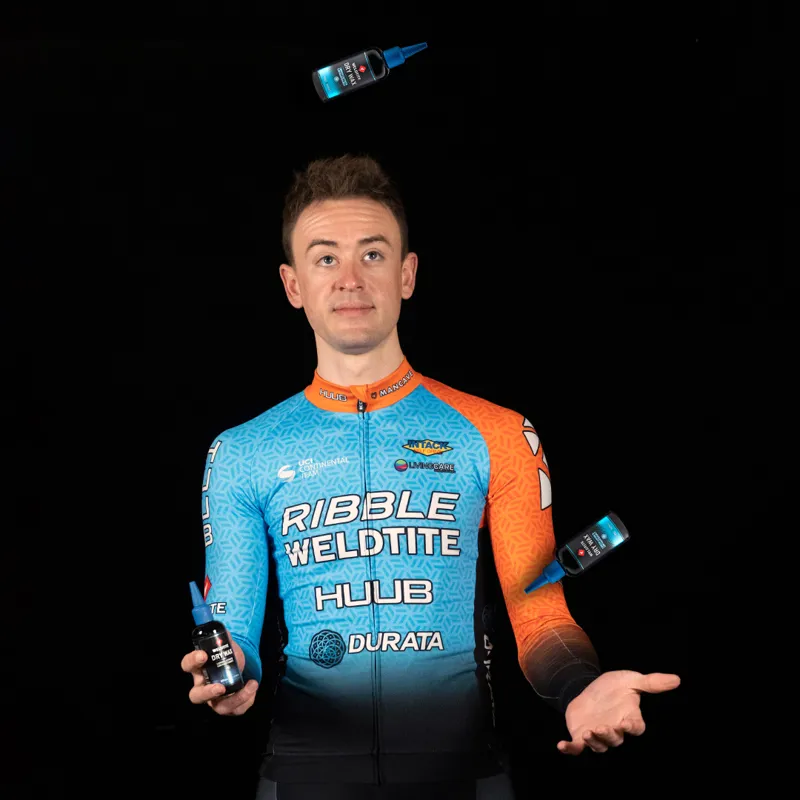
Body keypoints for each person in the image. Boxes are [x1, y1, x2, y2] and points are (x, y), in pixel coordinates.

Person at [180, 154, 681, 799]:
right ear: (293, 284)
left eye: (373, 254)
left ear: (407, 274)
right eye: (326, 258)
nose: (351, 279)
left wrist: (580, 687)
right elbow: (234, 629)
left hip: (463, 776)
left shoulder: (498, 432)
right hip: (304, 777)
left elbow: (539, 616)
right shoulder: (242, 451)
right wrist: (228, 675)